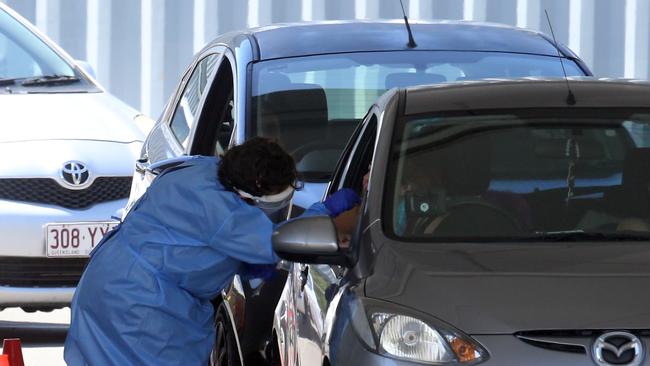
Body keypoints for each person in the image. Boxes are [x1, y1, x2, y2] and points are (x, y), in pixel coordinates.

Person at [63, 137, 358, 366]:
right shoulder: (230, 214)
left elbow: (191, 242)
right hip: (141, 310)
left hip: (107, 283)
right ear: (253, 195)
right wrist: (329, 208)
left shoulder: (203, 170)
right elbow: (281, 241)